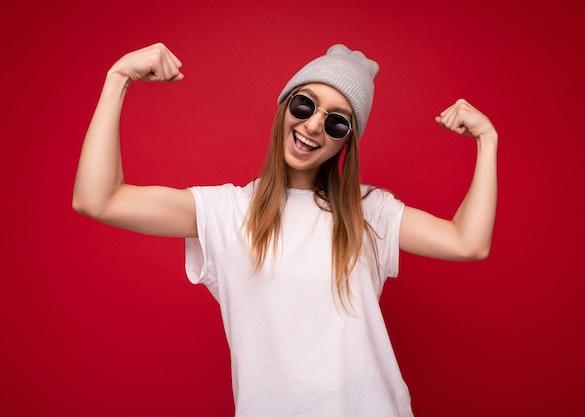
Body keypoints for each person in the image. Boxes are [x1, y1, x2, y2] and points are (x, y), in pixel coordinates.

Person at [73, 42, 498, 417]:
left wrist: (488, 139)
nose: (314, 125)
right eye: (304, 104)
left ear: (345, 142)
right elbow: (98, 199)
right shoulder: (227, 211)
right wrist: (118, 78)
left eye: (337, 122)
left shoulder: (370, 212)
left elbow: (468, 242)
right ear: (284, 107)